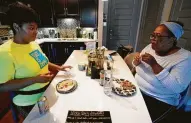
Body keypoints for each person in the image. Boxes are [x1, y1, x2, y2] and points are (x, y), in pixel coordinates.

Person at [0, 2, 72, 118]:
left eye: (36, 28)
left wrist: (58, 67)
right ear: (16, 26)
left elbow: (41, 61)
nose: (36, 32)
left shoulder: (32, 44)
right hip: (28, 103)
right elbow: (2, 86)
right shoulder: (5, 52)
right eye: (31, 28)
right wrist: (35, 80)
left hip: (46, 94)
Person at [132, 21, 191, 122]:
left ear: (172, 39)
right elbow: (135, 65)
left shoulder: (185, 58)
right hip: (136, 90)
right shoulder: (150, 47)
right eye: (153, 35)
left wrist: (154, 65)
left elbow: (177, 88)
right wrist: (136, 62)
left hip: (158, 101)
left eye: (159, 36)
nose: (153, 39)